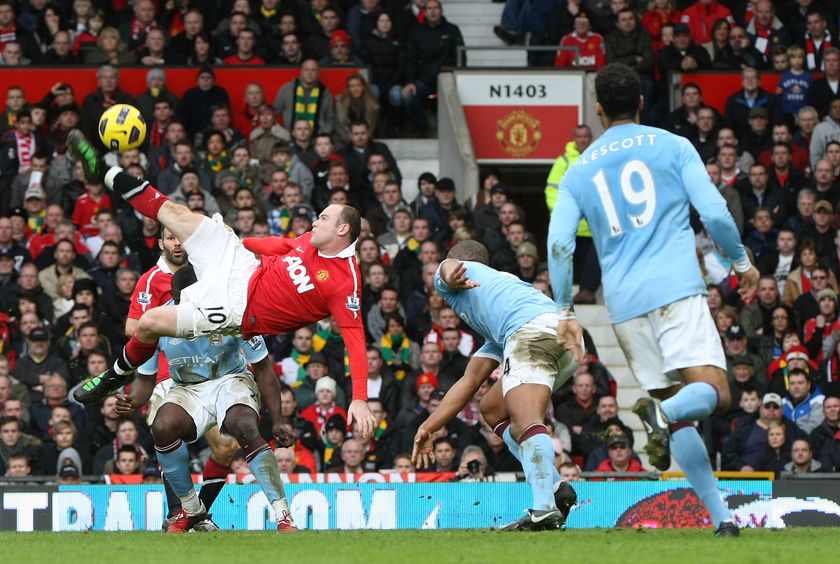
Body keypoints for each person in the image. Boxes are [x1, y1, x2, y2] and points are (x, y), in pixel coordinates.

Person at [547, 64, 759, 537]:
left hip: (623, 306)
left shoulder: (579, 169)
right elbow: (715, 211)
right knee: (715, 394)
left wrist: (565, 311)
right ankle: (663, 416)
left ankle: (721, 519)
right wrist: (742, 263)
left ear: (598, 111)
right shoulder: (673, 145)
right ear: (642, 102)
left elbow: (560, 244)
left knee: (676, 414)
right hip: (676, 290)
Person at [66, 129, 376, 439]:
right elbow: (283, 247)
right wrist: (239, 242)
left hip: (238, 310)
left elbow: (355, 337)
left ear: (343, 229)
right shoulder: (313, 241)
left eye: (322, 219)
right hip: (240, 263)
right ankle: (102, 171)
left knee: (149, 322)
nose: (315, 222)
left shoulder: (345, 282)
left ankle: (114, 375)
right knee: (178, 213)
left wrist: (359, 398)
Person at [411, 240, 578, 531]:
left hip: (531, 332)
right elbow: (470, 381)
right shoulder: (500, 307)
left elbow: (449, 268)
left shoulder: (457, 277)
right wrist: (429, 427)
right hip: (562, 338)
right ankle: (553, 487)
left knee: (526, 421)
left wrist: (451, 273)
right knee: (492, 408)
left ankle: (543, 509)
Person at [115, 265, 296, 532]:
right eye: (180, 301)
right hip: (187, 388)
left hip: (230, 381)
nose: (185, 306)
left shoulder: (233, 312)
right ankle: (191, 510)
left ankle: (283, 517)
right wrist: (133, 400)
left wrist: (279, 420)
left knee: (243, 427)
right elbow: (145, 377)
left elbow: (263, 367)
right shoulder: (156, 322)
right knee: (162, 427)